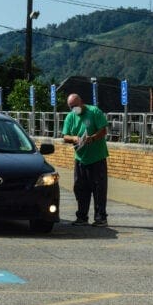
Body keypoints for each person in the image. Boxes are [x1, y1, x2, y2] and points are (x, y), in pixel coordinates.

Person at [61, 93, 109, 226]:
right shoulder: (70, 117)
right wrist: (74, 138)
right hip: (80, 158)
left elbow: (103, 130)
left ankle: (100, 217)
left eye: (75, 106)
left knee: (99, 189)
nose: (74, 109)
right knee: (80, 188)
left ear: (81, 102)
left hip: (97, 157)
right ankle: (82, 216)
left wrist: (92, 138)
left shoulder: (94, 112)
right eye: (71, 107)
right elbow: (65, 136)